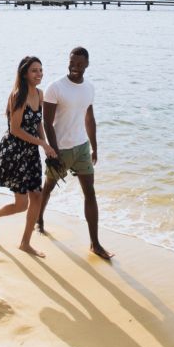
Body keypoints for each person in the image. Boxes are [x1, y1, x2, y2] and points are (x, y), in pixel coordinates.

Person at [37, 47, 113, 260]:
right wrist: (54, 151)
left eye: (79, 64)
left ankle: (95, 243)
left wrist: (94, 146)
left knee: (90, 192)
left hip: (81, 148)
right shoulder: (55, 87)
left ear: (87, 64)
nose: (75, 68)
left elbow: (89, 118)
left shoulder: (89, 88)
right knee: (49, 187)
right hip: (60, 148)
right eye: (72, 63)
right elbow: (47, 123)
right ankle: (39, 219)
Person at [0, 55, 58, 257]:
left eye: (41, 70)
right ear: (24, 74)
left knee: (37, 197)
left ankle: (25, 243)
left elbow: (38, 123)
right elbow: (15, 129)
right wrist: (41, 142)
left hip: (31, 153)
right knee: (21, 204)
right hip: (14, 152)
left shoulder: (40, 94)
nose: (39, 74)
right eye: (34, 70)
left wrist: (45, 145)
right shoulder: (18, 96)